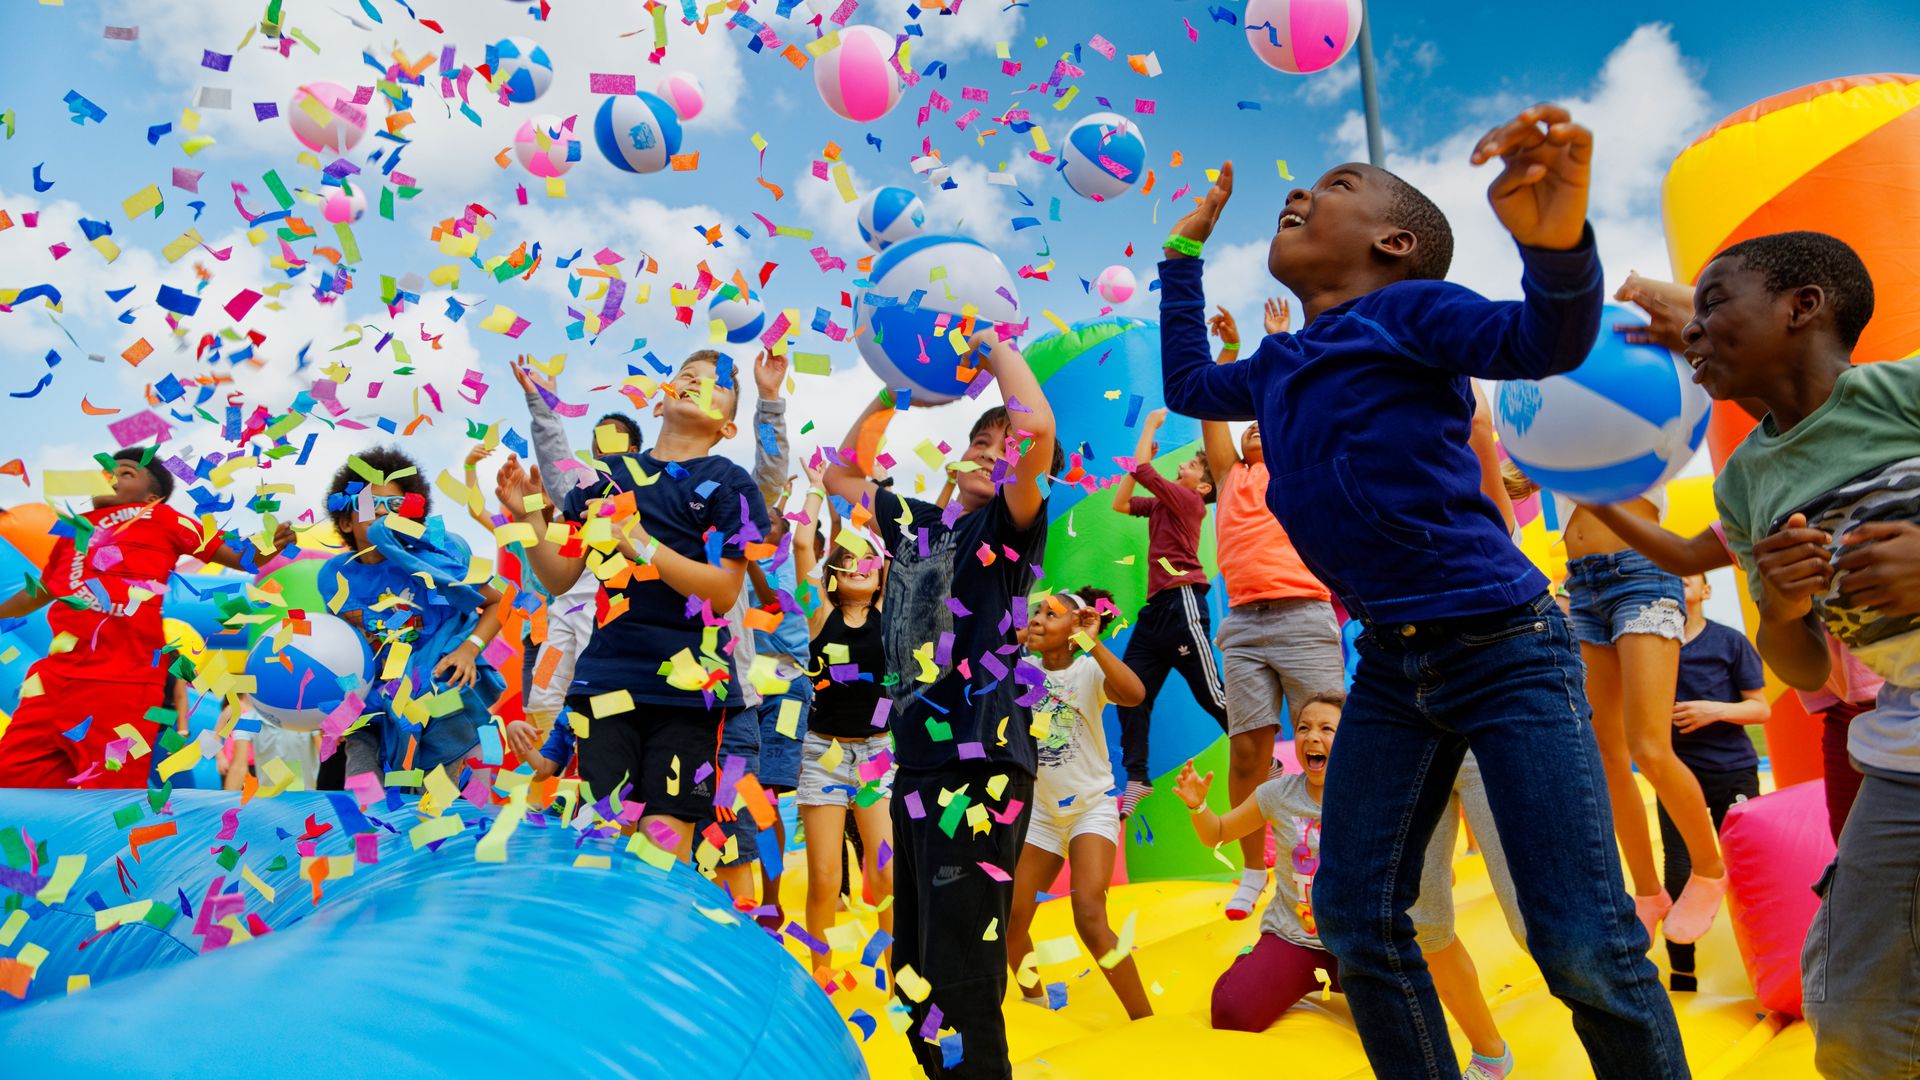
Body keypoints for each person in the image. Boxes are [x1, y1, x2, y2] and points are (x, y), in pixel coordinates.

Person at [1158, 104, 1686, 1078]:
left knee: (1579, 938)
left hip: (1503, 643)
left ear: (1394, 244)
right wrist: (1182, 253)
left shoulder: (1411, 313)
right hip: (1394, 669)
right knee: (1357, 922)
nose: (1301, 194)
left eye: (1337, 189)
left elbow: (1542, 340)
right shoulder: (1278, 364)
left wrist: (1557, 243)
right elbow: (1190, 384)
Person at [1683, 230, 1920, 1077]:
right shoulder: (1744, 483)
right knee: (1851, 1015)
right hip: (1903, 745)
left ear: (1803, 306)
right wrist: (1782, 606)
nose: (1693, 330)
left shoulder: (1897, 392)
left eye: (1713, 304)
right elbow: (1805, 667)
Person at [823, 327, 1057, 1078]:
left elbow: (1039, 429)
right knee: (917, 981)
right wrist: (899, 385)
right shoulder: (918, 526)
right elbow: (840, 472)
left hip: (980, 771)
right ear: (957, 455)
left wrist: (987, 350)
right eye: (981, 442)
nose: (996, 452)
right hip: (918, 772)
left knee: (960, 981)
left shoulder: (1008, 533)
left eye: (1004, 445)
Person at [1579, 275, 1884, 842]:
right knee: (1856, 879)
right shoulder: (1756, 485)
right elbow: (1690, 550)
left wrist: (1674, 308)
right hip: (1849, 711)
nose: (1695, 336)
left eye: (1712, 313)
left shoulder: (1878, 407)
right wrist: (1597, 498)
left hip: (1883, 690)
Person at [496, 350, 770, 863]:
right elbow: (560, 576)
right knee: (607, 835)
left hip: (692, 694)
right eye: (686, 374)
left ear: (728, 426)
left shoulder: (732, 483)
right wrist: (530, 517)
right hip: (606, 683)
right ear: (661, 401)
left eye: (715, 384)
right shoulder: (613, 477)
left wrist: (643, 546)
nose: (695, 382)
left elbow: (724, 590)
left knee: (660, 844)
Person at [0, 448, 293, 788]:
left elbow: (240, 556)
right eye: (107, 470)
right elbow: (39, 592)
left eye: (125, 473)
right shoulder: (73, 531)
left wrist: (266, 546)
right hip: (53, 682)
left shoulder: (165, 519)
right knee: (12, 781)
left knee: (112, 794)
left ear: (153, 497)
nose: (112, 476)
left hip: (122, 683)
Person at [1203, 302, 1347, 920]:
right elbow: (1210, 409)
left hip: (1303, 616)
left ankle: (1341, 861)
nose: (1256, 430)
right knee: (1247, 753)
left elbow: (1304, 406)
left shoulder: (1296, 465)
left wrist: (1276, 342)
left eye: (1267, 423)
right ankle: (1254, 869)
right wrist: (1229, 356)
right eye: (1249, 427)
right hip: (1243, 626)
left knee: (1330, 742)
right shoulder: (1230, 475)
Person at [320, 446, 507, 786]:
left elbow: (498, 602)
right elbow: (335, 649)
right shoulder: (334, 576)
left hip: (444, 710)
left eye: (394, 505)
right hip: (372, 717)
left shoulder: (432, 562)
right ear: (346, 520)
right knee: (366, 805)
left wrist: (469, 649)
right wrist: (339, 715)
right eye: (370, 505)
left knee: (449, 819)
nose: (383, 513)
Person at [1006, 587, 1151, 1020]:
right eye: (1035, 613)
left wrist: (1093, 641)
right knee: (1011, 916)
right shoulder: (1021, 671)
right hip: (1043, 814)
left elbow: (1134, 694)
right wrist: (1014, 639)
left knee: (1088, 913)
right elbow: (974, 667)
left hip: (1091, 807)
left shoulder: (1088, 671)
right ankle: (1036, 1003)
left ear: (1074, 630)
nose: (1037, 618)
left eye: (1050, 615)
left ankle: (1143, 1019)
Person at [1178, 694, 1341, 1033]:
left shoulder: (1369, 796)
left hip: (1355, 942)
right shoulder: (1278, 794)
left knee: (1397, 1022)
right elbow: (1218, 833)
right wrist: (1198, 807)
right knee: (1232, 1013)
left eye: (1327, 728)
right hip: (1295, 938)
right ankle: (1254, 958)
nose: (1312, 736)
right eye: (1303, 728)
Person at [791, 456, 893, 979]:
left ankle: (897, 973)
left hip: (877, 753)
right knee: (825, 875)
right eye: (846, 561)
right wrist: (814, 490)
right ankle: (822, 976)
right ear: (833, 576)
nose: (857, 566)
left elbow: (891, 548)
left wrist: (871, 500)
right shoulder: (821, 615)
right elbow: (803, 545)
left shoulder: (891, 616)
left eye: (867, 561)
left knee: (887, 875)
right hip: (823, 752)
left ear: (881, 577)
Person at [1108, 407, 1230, 820]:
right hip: (1156, 611)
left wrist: (1149, 426)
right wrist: (1138, 464)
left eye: (1197, 464)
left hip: (1182, 603)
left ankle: (1256, 750)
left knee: (1209, 692)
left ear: (1204, 486)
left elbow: (1142, 466)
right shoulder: (1165, 503)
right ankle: (1138, 778)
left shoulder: (1189, 502)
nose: (1190, 462)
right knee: (1128, 692)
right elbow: (1121, 503)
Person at [1659, 573, 1767, 990]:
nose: (1676, 587)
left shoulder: (1729, 641)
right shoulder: (1652, 650)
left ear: (1705, 591)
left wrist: (1711, 710)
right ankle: (1682, 970)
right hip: (1676, 771)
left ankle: (1765, 965)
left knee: (1745, 866)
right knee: (1680, 868)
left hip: (1730, 769)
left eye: (1686, 580)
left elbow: (1760, 709)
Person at [742, 350, 814, 925]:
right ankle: (740, 889)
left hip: (786, 686)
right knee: (736, 794)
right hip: (739, 684)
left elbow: (773, 607)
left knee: (770, 795)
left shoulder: (790, 550)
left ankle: (771, 901)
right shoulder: (728, 544)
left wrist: (771, 400)